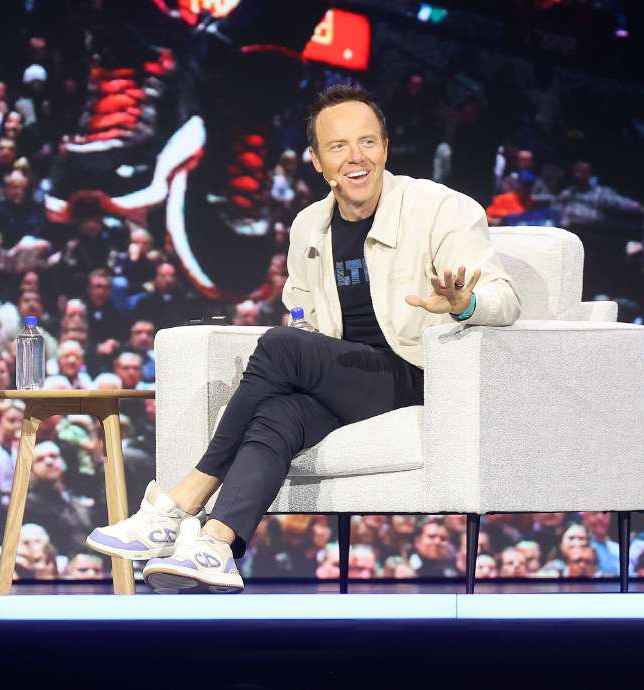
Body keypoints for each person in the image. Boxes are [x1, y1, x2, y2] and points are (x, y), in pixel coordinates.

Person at [85, 85, 519, 593]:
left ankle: (180, 502)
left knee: (281, 346)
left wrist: (464, 303)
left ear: (386, 147)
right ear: (316, 160)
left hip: (418, 371)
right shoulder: (309, 226)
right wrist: (303, 355)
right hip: (344, 377)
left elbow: (505, 300)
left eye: (367, 142)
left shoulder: (441, 208)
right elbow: (304, 318)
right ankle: (216, 545)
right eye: (338, 146)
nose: (356, 158)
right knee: (278, 414)